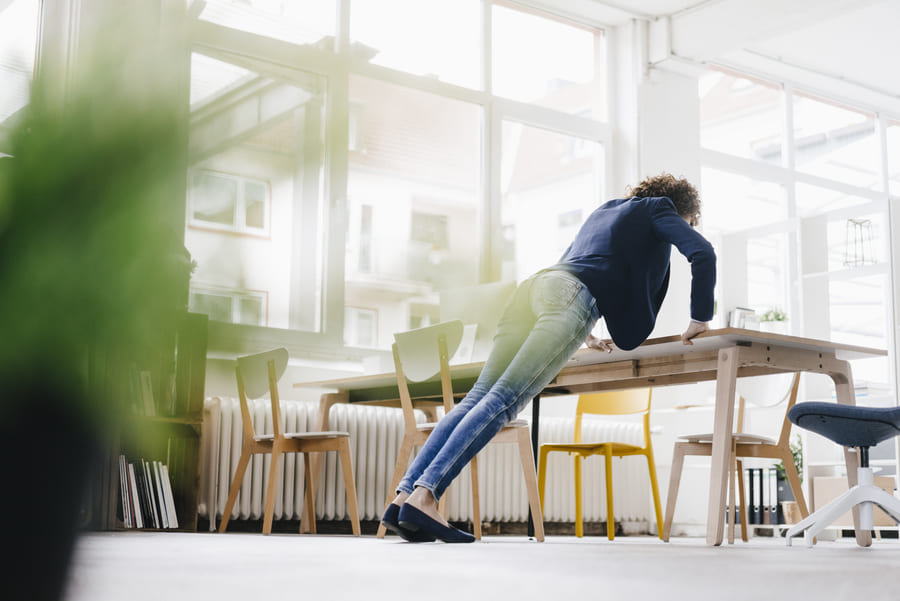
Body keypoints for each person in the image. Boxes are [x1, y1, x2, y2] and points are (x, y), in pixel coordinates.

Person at [381, 172, 716, 543]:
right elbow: (702, 253)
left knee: (476, 398)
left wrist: (585, 333)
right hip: (569, 298)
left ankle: (402, 498)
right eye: (687, 222)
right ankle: (426, 497)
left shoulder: (606, 211)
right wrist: (700, 317)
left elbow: (572, 264)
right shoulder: (659, 210)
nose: (683, 229)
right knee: (503, 401)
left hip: (534, 289)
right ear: (682, 210)